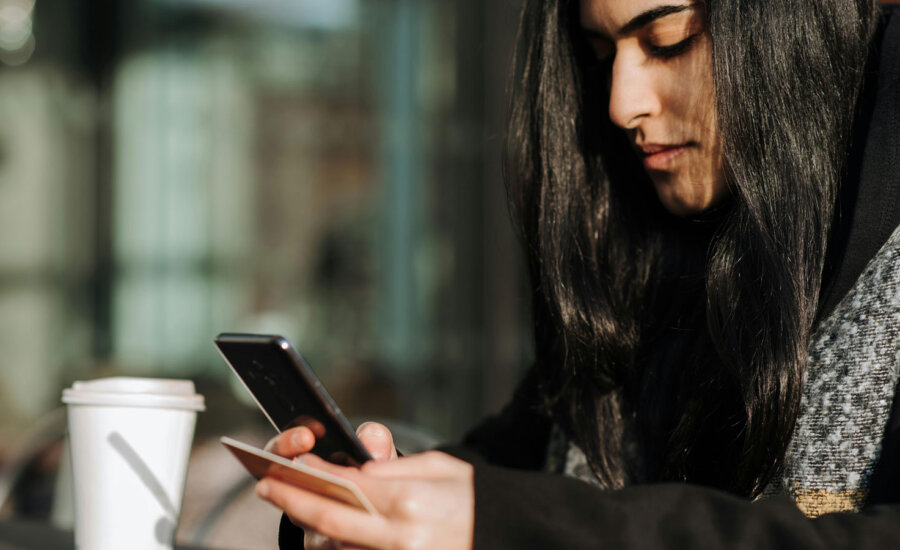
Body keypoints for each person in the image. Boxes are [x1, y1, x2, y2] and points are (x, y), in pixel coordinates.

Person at [258, 0, 900, 547]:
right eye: (600, 51)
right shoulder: (643, 264)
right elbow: (516, 471)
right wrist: (383, 501)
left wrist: (516, 527)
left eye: (668, 41)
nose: (623, 103)